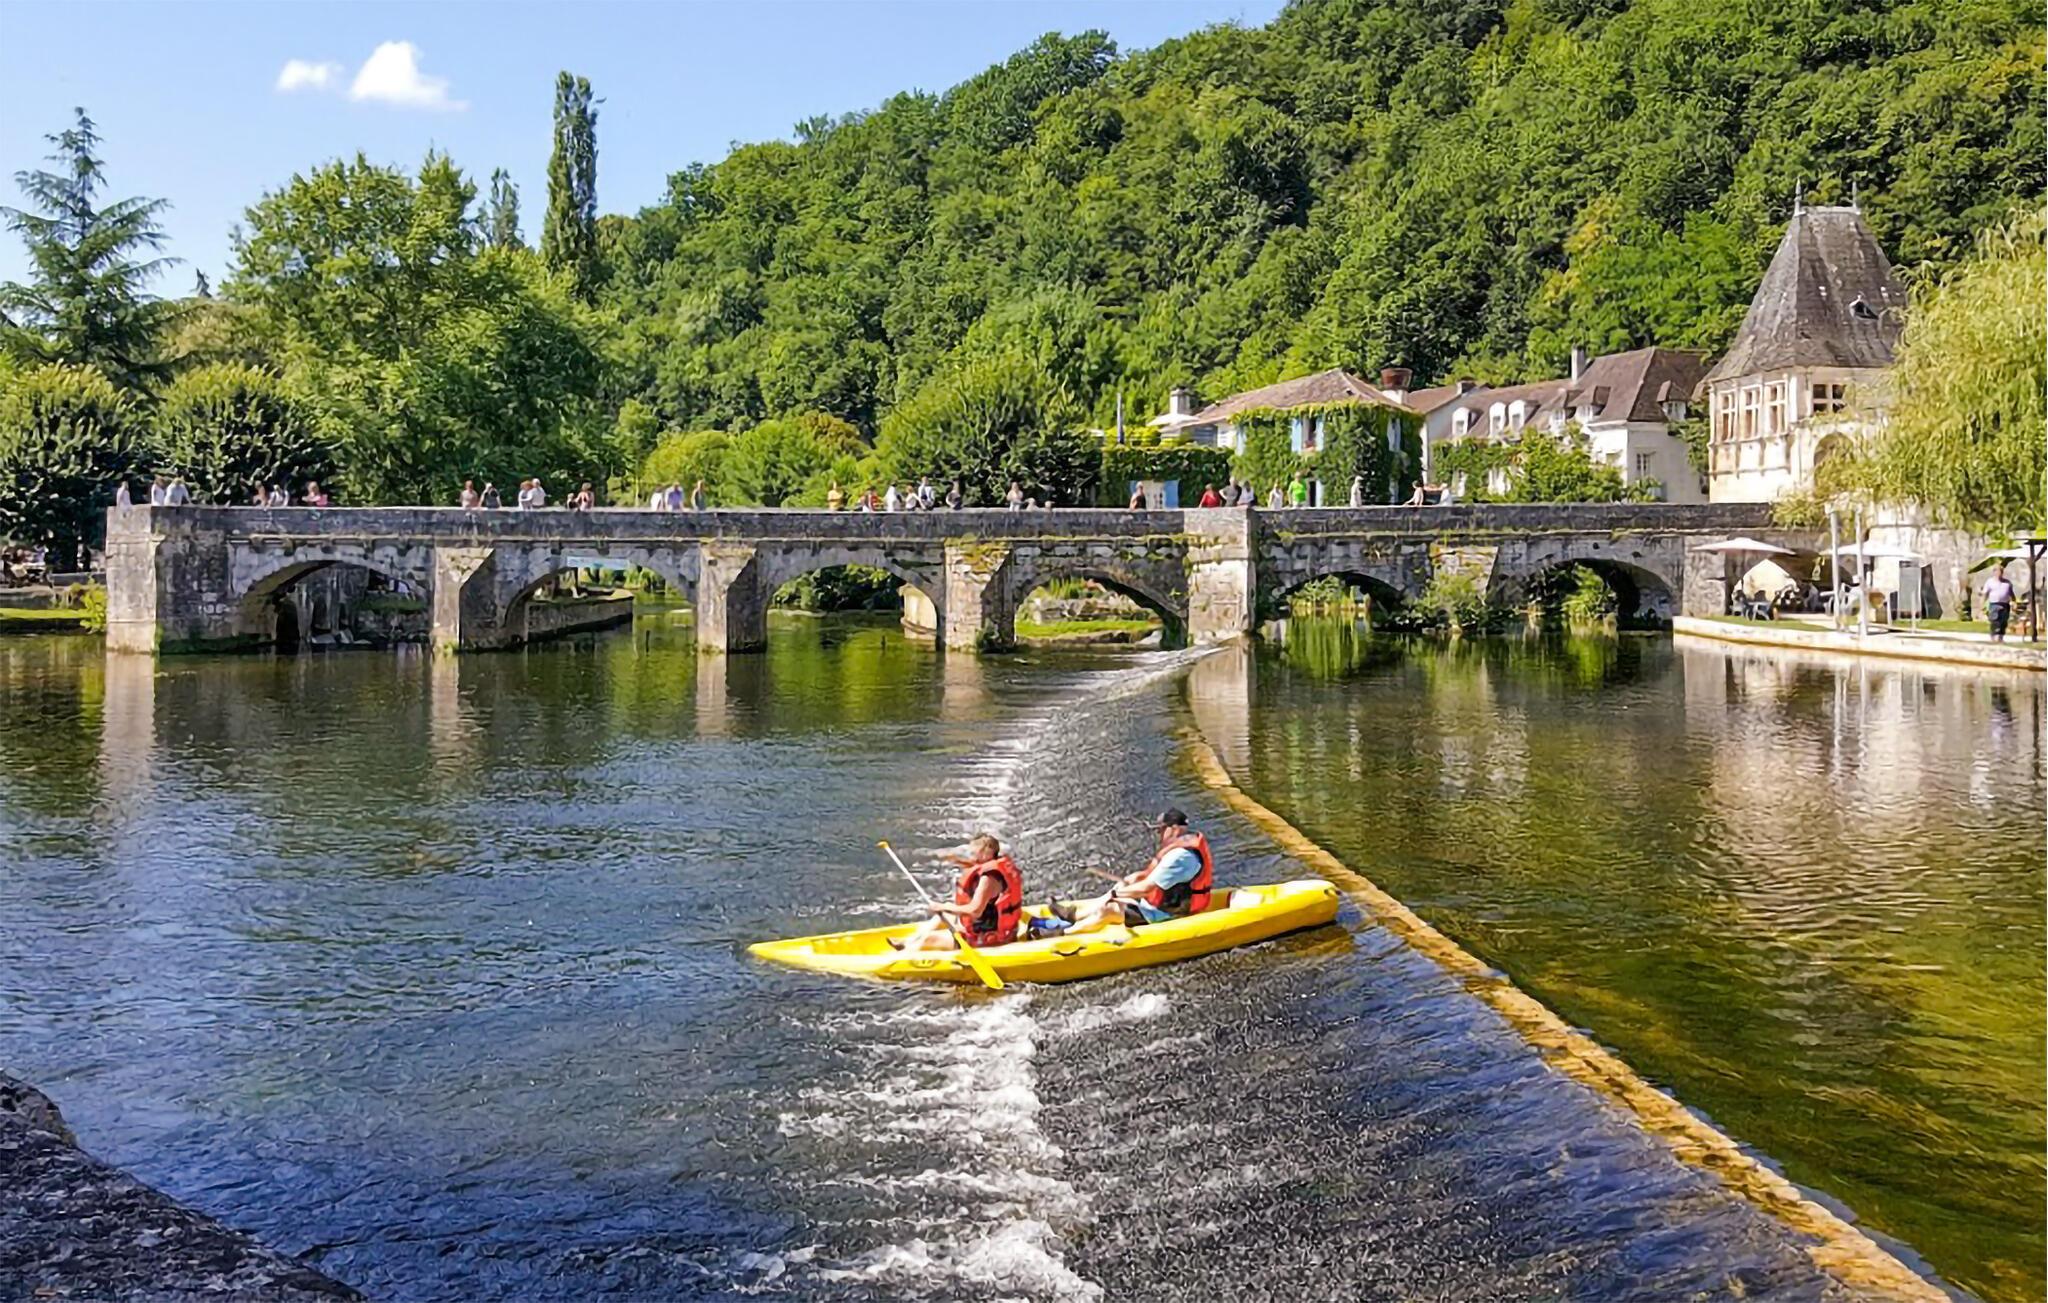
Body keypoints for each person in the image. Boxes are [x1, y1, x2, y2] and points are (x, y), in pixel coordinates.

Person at [1040, 809, 1214, 937]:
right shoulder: (1181, 847)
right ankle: (1073, 915)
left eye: (1160, 829)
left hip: (1167, 912)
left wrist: (1117, 894)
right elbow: (1151, 877)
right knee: (1125, 884)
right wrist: (1131, 880)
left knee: (1110, 908)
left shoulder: (1180, 857)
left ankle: (1064, 933)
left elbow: (1147, 888)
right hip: (1160, 902)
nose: (1158, 834)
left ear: (1174, 829)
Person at [892, 833, 1024, 952]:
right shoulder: (995, 864)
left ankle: (902, 957)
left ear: (985, 852)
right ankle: (907, 942)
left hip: (987, 938)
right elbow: (976, 866)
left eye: (974, 852)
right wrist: (956, 860)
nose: (971, 855)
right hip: (993, 929)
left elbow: (975, 911)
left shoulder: (989, 879)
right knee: (942, 916)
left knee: (929, 939)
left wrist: (943, 906)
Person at [1985, 563, 2017, 643]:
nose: (2000, 573)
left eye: (2001, 571)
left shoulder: (2007, 583)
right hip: (1994, 604)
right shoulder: (1990, 582)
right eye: (1998, 571)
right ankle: (1993, 636)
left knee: (2003, 622)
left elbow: (2011, 594)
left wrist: (2014, 602)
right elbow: (1985, 593)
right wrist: (1983, 604)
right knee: (1995, 621)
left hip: (2005, 604)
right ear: (1994, 572)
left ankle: (2000, 637)